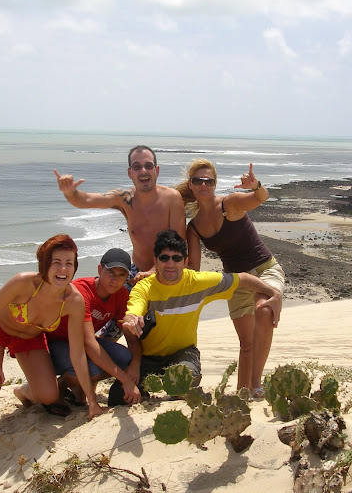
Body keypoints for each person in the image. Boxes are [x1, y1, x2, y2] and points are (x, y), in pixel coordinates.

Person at [0, 234, 97, 447]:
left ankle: (21, 391)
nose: (63, 269)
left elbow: (77, 353)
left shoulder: (73, 301)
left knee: (48, 395)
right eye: (57, 263)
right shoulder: (23, 283)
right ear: (45, 264)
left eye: (69, 263)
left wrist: (92, 401)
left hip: (29, 338)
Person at [119, 229, 281, 399]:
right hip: (149, 356)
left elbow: (244, 279)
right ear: (155, 262)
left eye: (177, 258)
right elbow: (132, 312)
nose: (170, 264)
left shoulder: (198, 282)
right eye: (164, 258)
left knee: (185, 380)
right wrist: (131, 320)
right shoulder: (144, 287)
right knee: (119, 396)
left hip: (183, 352)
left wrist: (273, 293)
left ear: (185, 261)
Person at [175, 159, 285, 396]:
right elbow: (193, 266)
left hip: (264, 269)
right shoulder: (193, 227)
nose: (203, 185)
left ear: (215, 184)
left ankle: (256, 384)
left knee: (264, 312)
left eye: (209, 181)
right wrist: (161, 274)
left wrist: (255, 185)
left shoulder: (230, 203)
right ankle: (242, 396)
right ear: (191, 186)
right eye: (198, 181)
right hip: (237, 281)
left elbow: (260, 198)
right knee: (246, 344)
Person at [53, 145, 186, 284]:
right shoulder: (124, 199)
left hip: (168, 272)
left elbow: (180, 243)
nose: (143, 171)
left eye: (148, 165)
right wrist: (69, 192)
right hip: (138, 274)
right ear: (129, 173)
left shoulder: (172, 198)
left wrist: (153, 271)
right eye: (137, 167)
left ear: (156, 170)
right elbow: (85, 200)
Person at [45, 248, 142, 414]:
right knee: (93, 369)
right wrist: (125, 379)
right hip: (55, 342)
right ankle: (59, 387)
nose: (115, 280)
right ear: (99, 269)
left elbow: (130, 336)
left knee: (125, 357)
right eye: (111, 272)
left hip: (81, 343)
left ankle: (76, 388)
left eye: (121, 275)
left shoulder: (120, 295)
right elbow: (89, 343)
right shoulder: (81, 291)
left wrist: (135, 363)